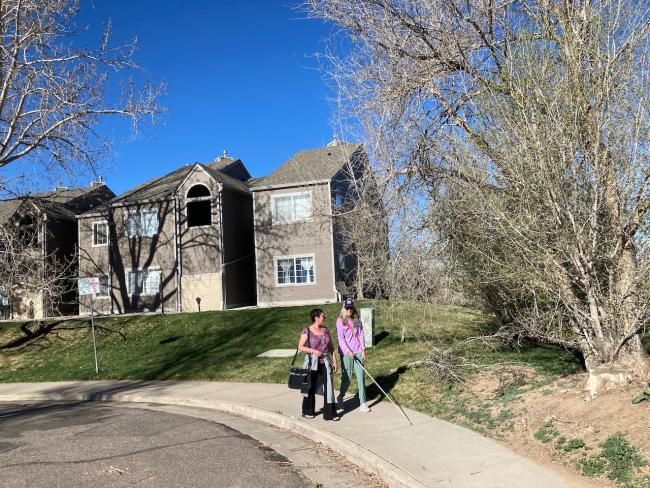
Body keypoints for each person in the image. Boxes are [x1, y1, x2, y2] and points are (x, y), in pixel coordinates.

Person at [297, 308, 339, 421]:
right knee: (309, 386)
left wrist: (335, 361)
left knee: (329, 387)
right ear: (316, 318)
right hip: (312, 363)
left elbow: (331, 347)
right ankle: (308, 411)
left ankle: (331, 413)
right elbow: (300, 347)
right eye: (322, 316)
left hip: (325, 362)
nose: (324, 318)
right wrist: (313, 351)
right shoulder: (307, 331)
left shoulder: (325, 330)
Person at [336, 298, 370, 413]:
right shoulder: (340, 321)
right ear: (344, 308)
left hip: (358, 351)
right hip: (346, 353)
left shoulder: (356, 319)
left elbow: (361, 334)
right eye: (347, 308)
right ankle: (340, 397)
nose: (349, 310)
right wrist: (347, 351)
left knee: (361, 377)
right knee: (348, 378)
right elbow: (340, 339)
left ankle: (362, 402)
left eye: (351, 308)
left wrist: (363, 350)